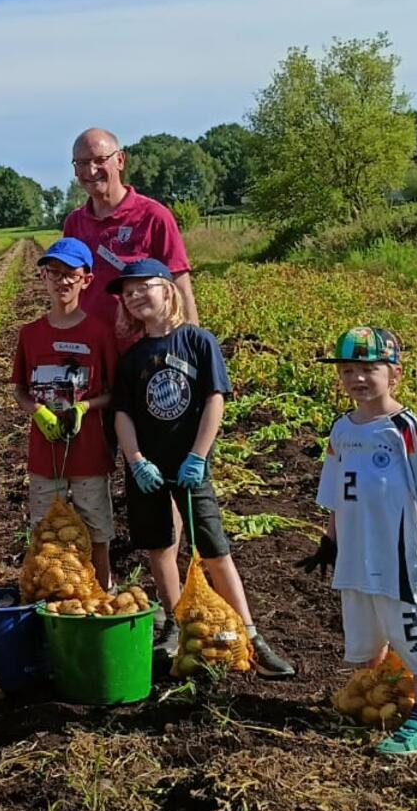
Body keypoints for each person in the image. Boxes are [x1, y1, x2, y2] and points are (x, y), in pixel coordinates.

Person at [107, 259, 295, 678]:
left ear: (168, 290)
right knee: (160, 547)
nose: (135, 296)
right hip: (148, 470)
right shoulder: (133, 358)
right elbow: (123, 414)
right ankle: (178, 622)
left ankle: (249, 633)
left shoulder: (197, 341)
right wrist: (135, 460)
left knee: (213, 548)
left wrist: (199, 455)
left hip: (190, 464)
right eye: (128, 292)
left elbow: (214, 398)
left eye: (144, 287)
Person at [297, 327, 417, 754]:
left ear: (395, 375)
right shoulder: (342, 429)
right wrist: (329, 541)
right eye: (348, 370)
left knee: (411, 630)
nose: (357, 378)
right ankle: (378, 696)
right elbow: (336, 492)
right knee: (367, 633)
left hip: (396, 557)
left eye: (369, 369)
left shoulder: (406, 428)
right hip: (355, 554)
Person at [10, 238, 118, 590]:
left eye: (70, 273)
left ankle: (101, 595)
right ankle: (49, 596)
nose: (62, 281)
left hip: (89, 455)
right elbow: (19, 389)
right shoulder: (30, 335)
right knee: (45, 533)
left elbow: (112, 392)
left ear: (86, 279)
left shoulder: (100, 333)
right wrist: (37, 411)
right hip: (45, 457)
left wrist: (85, 407)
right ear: (43, 277)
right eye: (54, 273)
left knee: (96, 531)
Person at [63, 127, 200, 333]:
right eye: (82, 163)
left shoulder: (154, 216)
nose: (91, 170)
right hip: (92, 348)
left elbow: (181, 287)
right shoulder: (75, 223)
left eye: (100, 160)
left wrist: (191, 347)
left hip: (143, 347)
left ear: (120, 160)